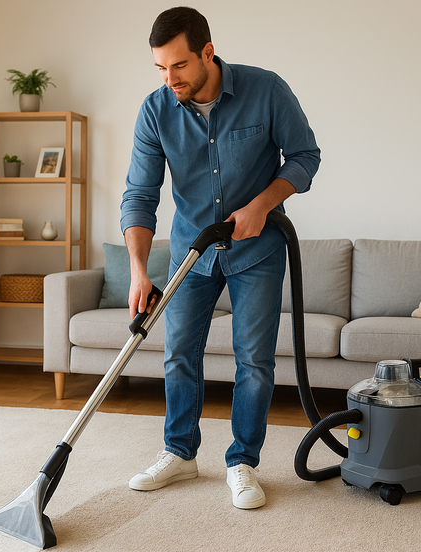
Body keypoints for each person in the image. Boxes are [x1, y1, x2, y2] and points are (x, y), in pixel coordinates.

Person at [121, 6, 320, 509]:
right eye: (161, 69)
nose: (171, 79)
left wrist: (261, 204)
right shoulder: (155, 110)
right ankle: (180, 454)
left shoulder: (266, 89)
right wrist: (140, 271)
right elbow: (140, 195)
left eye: (180, 66)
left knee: (254, 361)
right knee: (177, 354)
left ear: (208, 52)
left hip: (258, 250)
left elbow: (305, 156)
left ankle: (243, 463)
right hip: (192, 251)